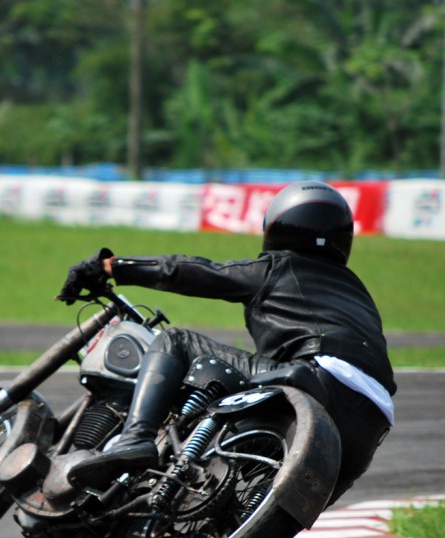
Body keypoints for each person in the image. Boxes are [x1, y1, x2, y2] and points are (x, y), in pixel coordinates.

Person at [57, 181, 396, 507]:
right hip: (372, 420)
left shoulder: (280, 267)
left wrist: (113, 267)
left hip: (317, 374)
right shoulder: (358, 292)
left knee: (176, 340)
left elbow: (196, 272)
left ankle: (136, 439)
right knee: (272, 499)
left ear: (277, 227)